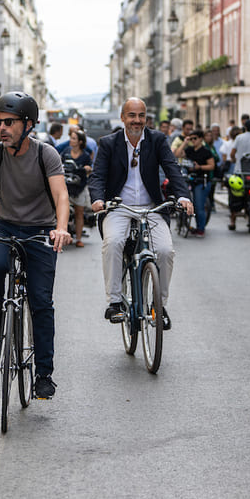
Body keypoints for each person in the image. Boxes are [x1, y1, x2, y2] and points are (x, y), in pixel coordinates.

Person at [0, 91, 71, 400]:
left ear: (28, 124)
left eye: (9, 122)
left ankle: (44, 374)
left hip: (41, 230)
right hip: (5, 225)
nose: (1, 128)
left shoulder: (47, 154)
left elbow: (61, 196)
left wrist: (60, 228)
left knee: (41, 302)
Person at [88, 97, 194, 327]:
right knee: (114, 242)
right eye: (132, 115)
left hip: (152, 208)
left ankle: (159, 306)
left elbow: (172, 169)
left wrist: (183, 196)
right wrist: (97, 200)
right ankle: (114, 302)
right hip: (118, 207)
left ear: (146, 118)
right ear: (123, 117)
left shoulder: (157, 140)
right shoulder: (108, 143)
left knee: (165, 251)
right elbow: (97, 176)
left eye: (141, 116)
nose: (137, 120)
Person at [177, 128, 217, 237]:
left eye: (195, 138)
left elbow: (212, 166)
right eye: (191, 139)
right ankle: (186, 223)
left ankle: (200, 229)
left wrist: (199, 167)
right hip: (190, 180)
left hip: (201, 181)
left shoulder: (206, 151)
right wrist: (185, 142)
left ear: (200, 139)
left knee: (199, 206)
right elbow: (177, 154)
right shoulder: (189, 149)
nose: (193, 141)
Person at [62, 129, 93, 247]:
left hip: (79, 188)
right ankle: (63, 235)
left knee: (79, 213)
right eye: (71, 138)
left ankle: (79, 239)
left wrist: (87, 168)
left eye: (74, 138)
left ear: (80, 142)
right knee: (63, 212)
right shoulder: (66, 152)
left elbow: (89, 168)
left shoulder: (85, 155)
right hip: (66, 187)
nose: (71, 140)